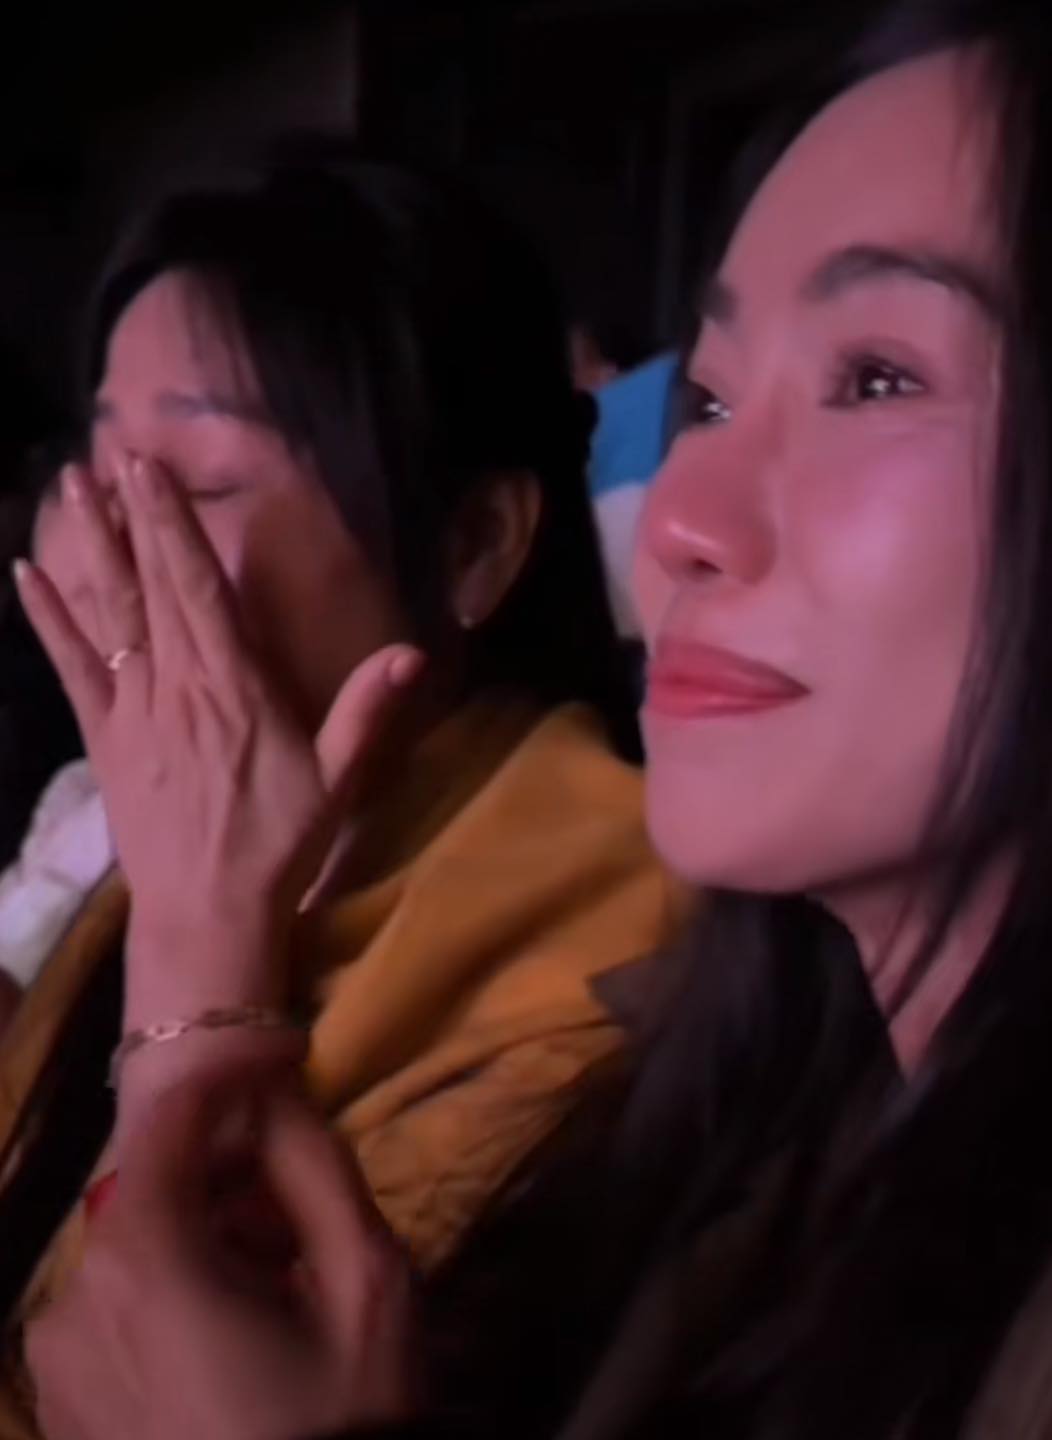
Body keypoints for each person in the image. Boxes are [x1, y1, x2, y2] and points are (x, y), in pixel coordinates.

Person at [24, 0, 1052, 1436]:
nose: (678, 522)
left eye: (875, 379)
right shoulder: (779, 1111)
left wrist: (200, 995)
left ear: (472, 549)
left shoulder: (602, 987)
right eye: (706, 401)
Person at [0, 142, 687, 1434]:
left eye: (199, 487)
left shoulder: (608, 970)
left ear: (472, 545)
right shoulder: (158, 838)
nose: (101, 547)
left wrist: (204, 965)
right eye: (93, 474)